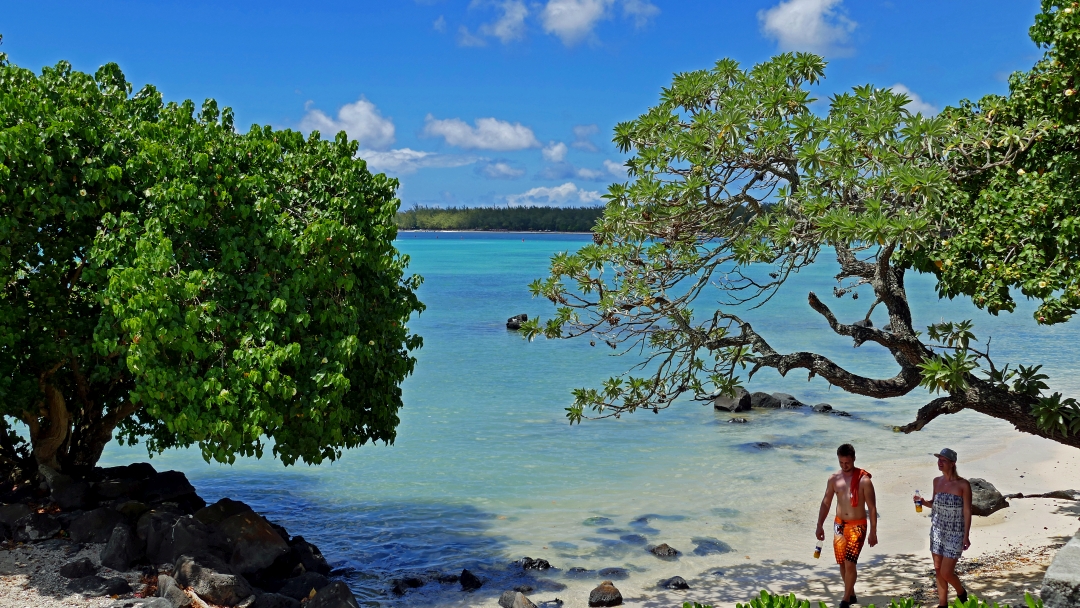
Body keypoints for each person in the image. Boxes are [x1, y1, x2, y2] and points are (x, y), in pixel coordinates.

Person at [815, 443, 878, 608]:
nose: (844, 466)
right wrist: (819, 525)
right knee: (842, 562)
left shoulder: (864, 480)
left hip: (858, 526)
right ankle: (851, 593)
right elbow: (826, 503)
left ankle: (845, 600)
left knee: (850, 563)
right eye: (841, 463)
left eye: (847, 463)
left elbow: (872, 508)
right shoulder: (833, 479)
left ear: (854, 459)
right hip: (839, 525)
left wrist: (873, 532)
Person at [913, 448, 971, 607]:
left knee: (946, 572)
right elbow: (935, 505)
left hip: (955, 532)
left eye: (943, 460)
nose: (939, 462)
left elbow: (967, 511)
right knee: (938, 570)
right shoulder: (936, 481)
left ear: (953, 463)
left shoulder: (963, 484)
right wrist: (923, 502)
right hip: (937, 530)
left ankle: (961, 592)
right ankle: (942, 604)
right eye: (939, 459)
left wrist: (966, 535)